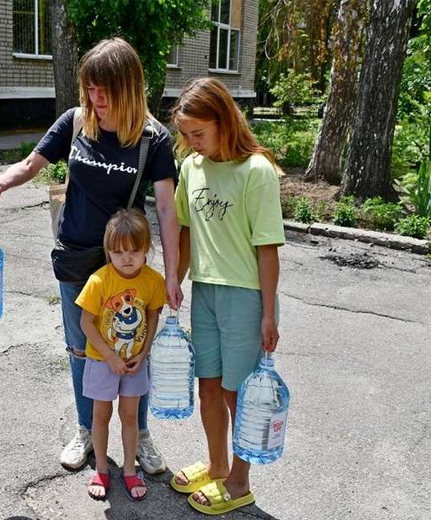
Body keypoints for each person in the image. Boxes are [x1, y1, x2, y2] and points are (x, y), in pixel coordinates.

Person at [0, 37, 182, 474]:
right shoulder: (75, 122)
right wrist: (0, 182)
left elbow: (166, 208)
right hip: (76, 260)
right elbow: (32, 164)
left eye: (105, 90)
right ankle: (87, 428)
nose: (96, 99)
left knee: (132, 346)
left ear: (129, 86)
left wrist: (172, 274)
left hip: (125, 263)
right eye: (90, 88)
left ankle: (138, 433)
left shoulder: (153, 140)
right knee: (81, 348)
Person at [169, 77, 285, 515]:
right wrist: (173, 280)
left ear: (224, 122)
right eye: (185, 134)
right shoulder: (191, 169)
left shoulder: (256, 171)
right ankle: (218, 466)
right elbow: (182, 230)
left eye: (198, 133)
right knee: (209, 388)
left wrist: (268, 314)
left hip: (246, 296)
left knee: (239, 394)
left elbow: (267, 246)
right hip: (205, 290)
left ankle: (239, 482)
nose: (191, 142)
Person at [76, 208, 164, 501]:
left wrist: (145, 352)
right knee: (101, 415)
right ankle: (101, 468)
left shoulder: (153, 281)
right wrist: (109, 356)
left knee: (130, 416)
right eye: (117, 252)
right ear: (108, 251)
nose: (126, 258)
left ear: (146, 248)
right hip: (102, 360)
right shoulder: (99, 281)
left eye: (134, 251)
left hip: (135, 363)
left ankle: (129, 469)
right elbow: (86, 323)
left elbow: (152, 316)